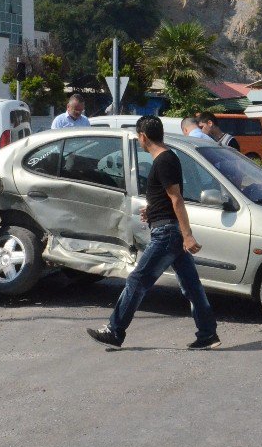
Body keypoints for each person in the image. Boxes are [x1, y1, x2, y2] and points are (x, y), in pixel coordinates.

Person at [86, 116, 220, 350]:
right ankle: (208, 334)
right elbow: (167, 197)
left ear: (143, 137)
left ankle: (114, 331)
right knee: (191, 286)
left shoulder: (164, 160)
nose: (139, 141)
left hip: (167, 234)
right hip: (168, 228)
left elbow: (176, 197)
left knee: (137, 281)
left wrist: (187, 235)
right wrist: (153, 210)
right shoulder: (166, 158)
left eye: (138, 137)